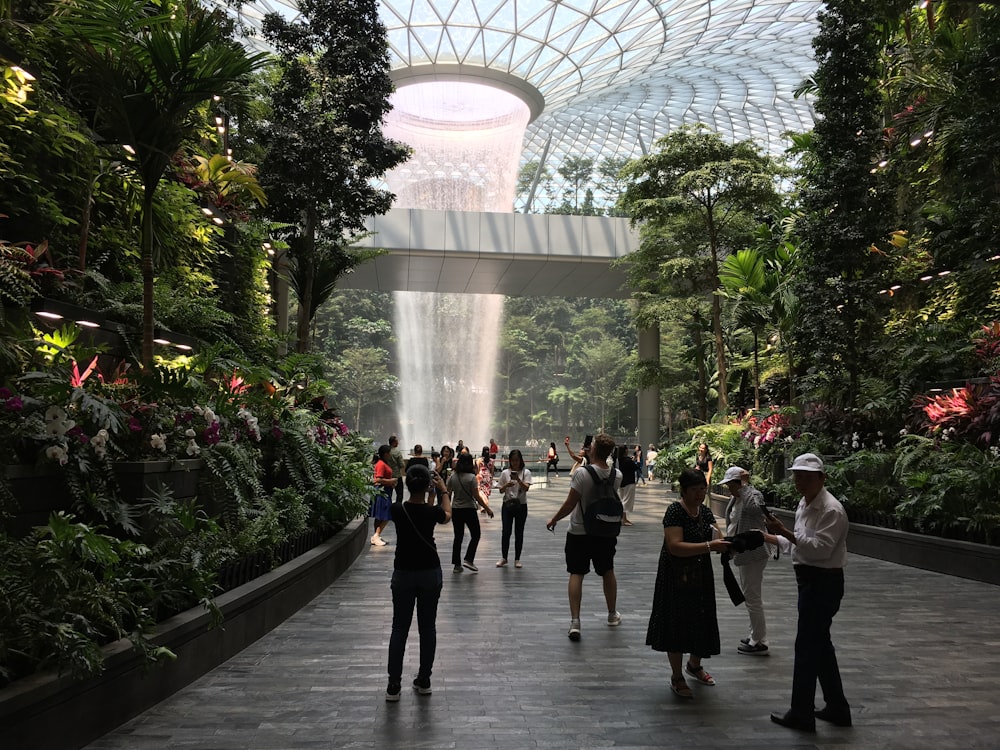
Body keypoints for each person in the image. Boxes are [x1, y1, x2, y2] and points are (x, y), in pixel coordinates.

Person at [764, 453, 851, 733]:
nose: (800, 481)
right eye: (797, 476)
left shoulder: (831, 510)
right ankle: (838, 708)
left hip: (822, 582)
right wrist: (767, 536)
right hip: (810, 580)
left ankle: (802, 712)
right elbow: (797, 545)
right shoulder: (805, 503)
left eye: (806, 476)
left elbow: (819, 550)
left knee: (807, 648)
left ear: (821, 478)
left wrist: (785, 533)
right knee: (820, 646)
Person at [646, 468, 729, 699]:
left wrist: (725, 544)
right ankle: (676, 675)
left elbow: (716, 537)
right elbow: (675, 546)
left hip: (700, 574)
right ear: (684, 491)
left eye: (703, 489)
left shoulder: (704, 511)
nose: (700, 494)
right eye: (695, 490)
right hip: (676, 576)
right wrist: (710, 546)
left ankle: (694, 664)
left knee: (700, 618)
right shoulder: (674, 511)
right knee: (677, 621)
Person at [545, 433, 623, 641]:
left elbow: (570, 504)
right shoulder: (617, 475)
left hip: (580, 530)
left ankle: (575, 621)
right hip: (605, 531)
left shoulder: (582, 474)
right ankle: (612, 614)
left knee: (576, 573)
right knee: (607, 570)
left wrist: (553, 519)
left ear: (595, 449)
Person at [385, 464, 452, 701]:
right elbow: (446, 515)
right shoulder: (431, 513)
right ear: (428, 485)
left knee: (399, 628)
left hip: (403, 572)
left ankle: (393, 684)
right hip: (429, 573)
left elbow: (412, 506)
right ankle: (424, 679)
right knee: (427, 628)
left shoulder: (397, 510)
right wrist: (442, 491)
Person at [722, 466, 771, 655]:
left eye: (730, 484)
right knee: (750, 595)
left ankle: (759, 640)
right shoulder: (736, 498)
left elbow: (756, 510)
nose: (728, 488)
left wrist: (744, 486)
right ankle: (755, 635)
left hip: (754, 552)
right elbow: (732, 522)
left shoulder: (752, 496)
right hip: (744, 550)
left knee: (752, 597)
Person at [447, 452, 493, 573]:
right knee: (476, 534)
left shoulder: (453, 476)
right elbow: (476, 496)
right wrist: (487, 508)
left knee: (458, 537)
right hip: (469, 509)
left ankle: (457, 565)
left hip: (456, 509)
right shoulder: (471, 478)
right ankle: (469, 559)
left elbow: (448, 493)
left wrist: (446, 508)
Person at [496, 449, 532, 568]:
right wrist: (507, 484)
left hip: (521, 505)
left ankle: (517, 558)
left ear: (520, 460)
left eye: (517, 460)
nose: (515, 463)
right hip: (507, 505)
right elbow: (500, 490)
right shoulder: (505, 473)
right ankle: (504, 557)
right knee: (506, 531)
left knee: (519, 532)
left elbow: (526, 488)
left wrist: (518, 480)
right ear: (509, 461)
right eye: (512, 461)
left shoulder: (526, 472)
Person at [371, 444, 397, 546]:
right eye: (389, 453)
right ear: (385, 454)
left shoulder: (382, 463)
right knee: (386, 514)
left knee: (380, 516)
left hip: (384, 491)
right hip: (382, 492)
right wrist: (391, 481)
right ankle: (376, 535)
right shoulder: (381, 464)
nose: (390, 455)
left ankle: (376, 536)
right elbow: (378, 479)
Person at [615, 444, 638, 526]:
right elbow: (636, 467)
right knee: (627, 501)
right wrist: (635, 459)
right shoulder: (628, 460)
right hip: (629, 482)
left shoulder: (618, 460)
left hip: (621, 482)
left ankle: (623, 518)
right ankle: (623, 519)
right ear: (625, 451)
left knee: (622, 499)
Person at [388, 435, 406, 502]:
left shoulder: (387, 451)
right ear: (393, 442)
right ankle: (398, 507)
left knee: (388, 493)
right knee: (399, 494)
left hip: (388, 476)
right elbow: (402, 465)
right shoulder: (397, 452)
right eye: (397, 441)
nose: (398, 443)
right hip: (397, 476)